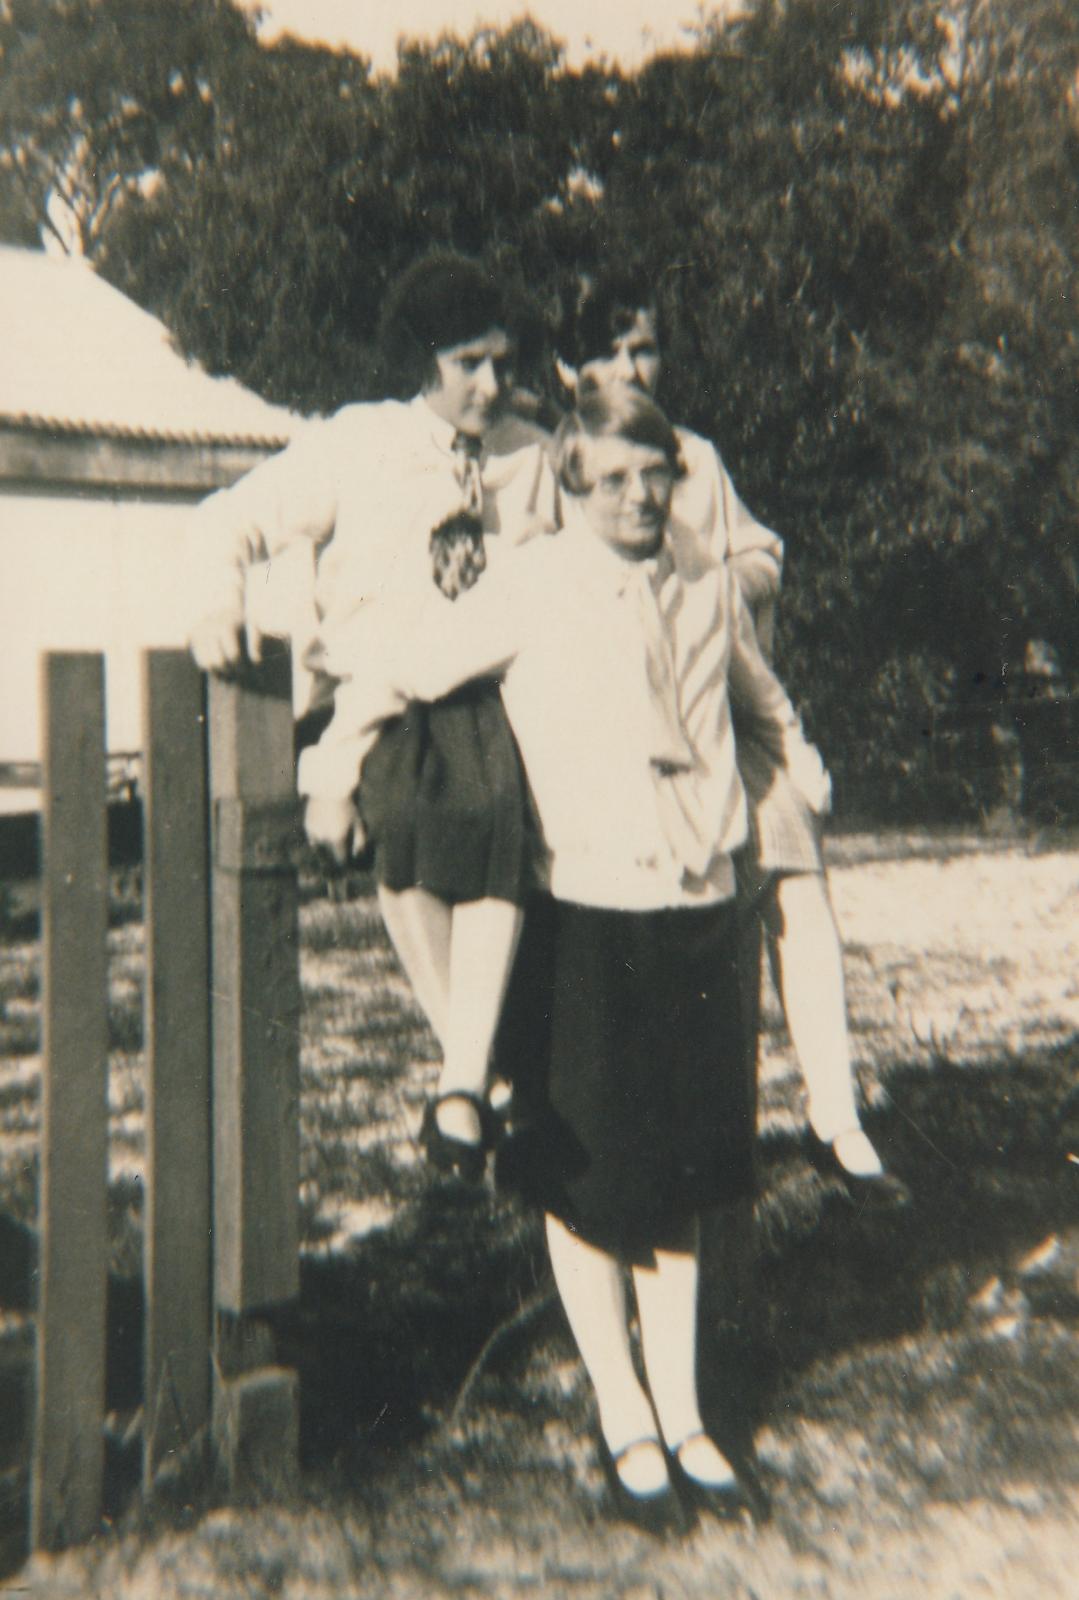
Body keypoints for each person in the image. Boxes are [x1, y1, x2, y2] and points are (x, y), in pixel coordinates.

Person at [312, 385, 830, 1530]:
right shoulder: (534, 582)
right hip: (585, 906)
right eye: (613, 480)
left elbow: (759, 699)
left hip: (698, 899)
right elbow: (409, 663)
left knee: (686, 1173)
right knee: (590, 1177)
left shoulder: (703, 577)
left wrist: (794, 772)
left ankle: (686, 1415)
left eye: (656, 475)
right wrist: (336, 764)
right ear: (571, 480)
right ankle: (622, 1417)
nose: (640, 498)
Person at [187, 250, 557, 1179]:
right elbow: (225, 521)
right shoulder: (358, 443)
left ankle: (463, 1088)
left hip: (483, 692)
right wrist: (214, 603)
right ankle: (474, 1073)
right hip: (372, 703)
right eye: (467, 361)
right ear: (420, 360)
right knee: (411, 819)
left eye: (501, 361)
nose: (491, 382)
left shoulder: (527, 453)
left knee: (495, 813)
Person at [554, 269, 910, 1206]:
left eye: (648, 347)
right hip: (615, 746)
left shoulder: (695, 458)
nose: (636, 365)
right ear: (571, 366)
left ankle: (835, 1117)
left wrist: (723, 603)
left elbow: (760, 551)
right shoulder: (560, 462)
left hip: (723, 712)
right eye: (614, 350)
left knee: (795, 868)